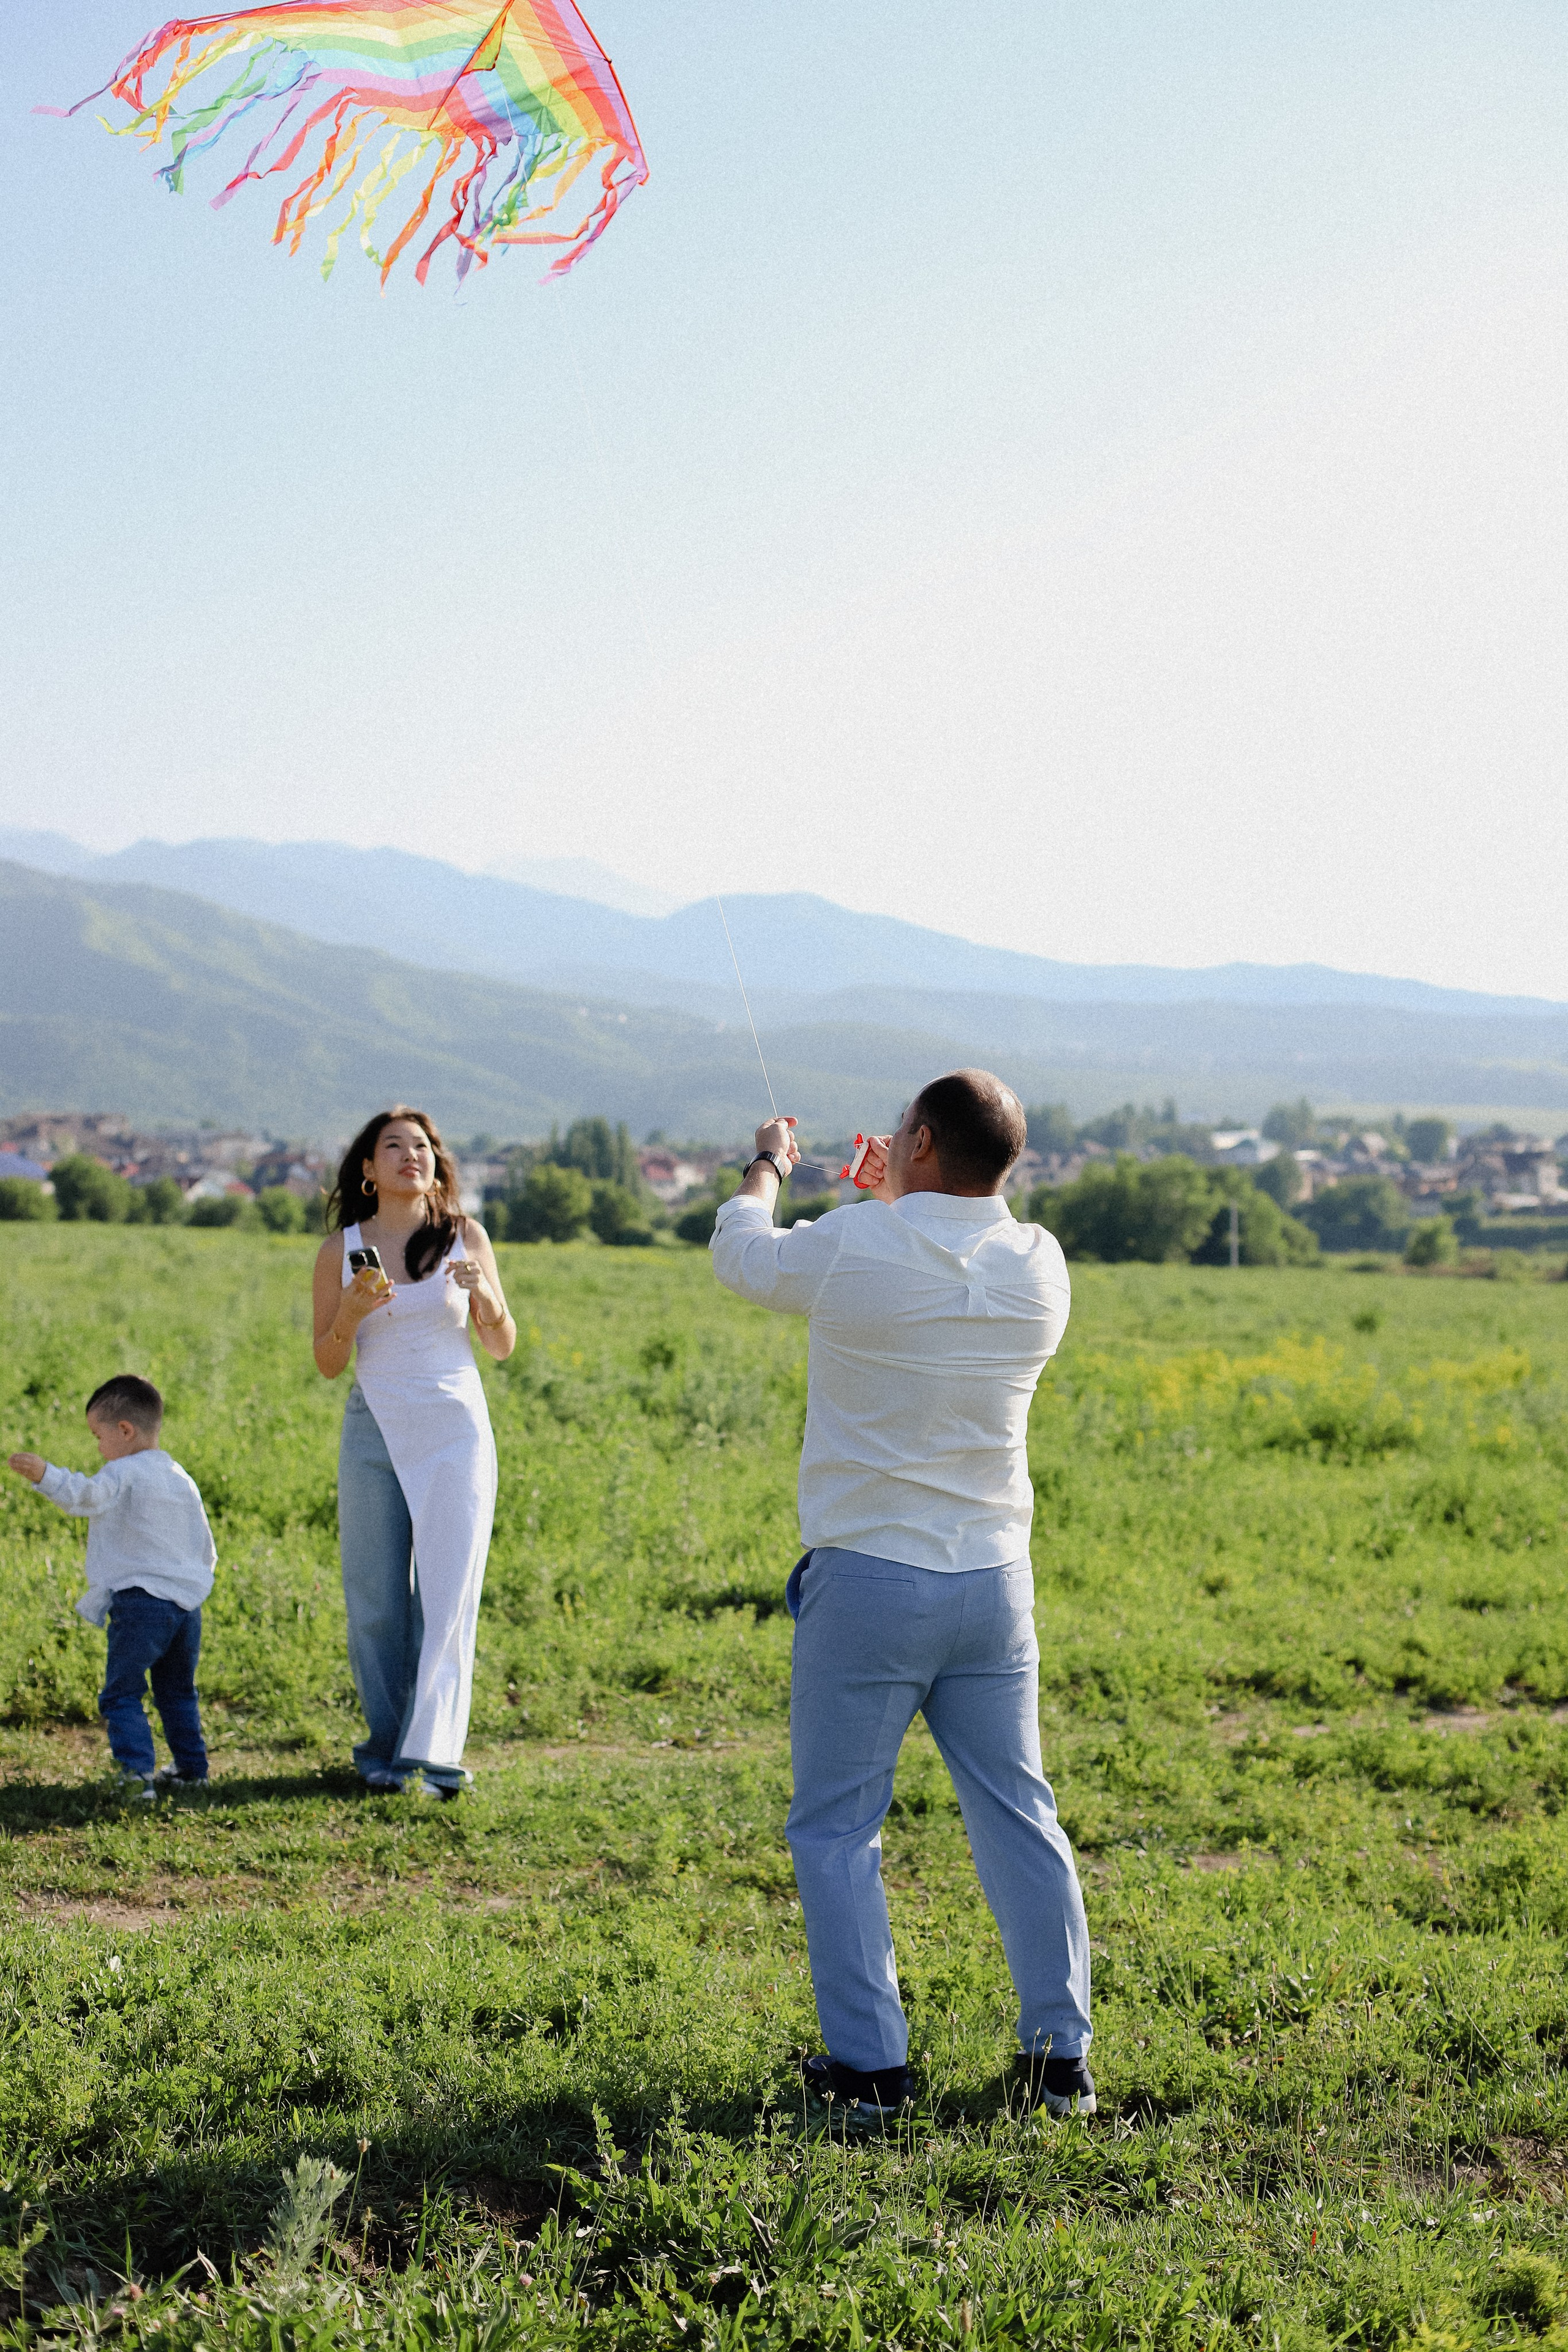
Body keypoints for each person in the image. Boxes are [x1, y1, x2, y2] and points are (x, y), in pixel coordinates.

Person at [710, 1070, 1093, 2124]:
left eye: (898, 1131)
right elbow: (933, 1268)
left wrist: (767, 1167)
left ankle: (871, 2075)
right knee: (1021, 1814)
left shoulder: (855, 1245)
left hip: (871, 1582)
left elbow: (742, 1256)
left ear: (921, 1140)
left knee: (836, 1829)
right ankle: (1061, 2065)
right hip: (992, 1584)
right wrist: (896, 1201)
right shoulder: (1040, 1264)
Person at [312, 1106, 515, 1799]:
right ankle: (384, 1748)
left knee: (448, 1593)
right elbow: (327, 1361)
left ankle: (433, 1756)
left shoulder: (465, 1236)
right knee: (374, 1599)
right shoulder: (340, 1248)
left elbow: (501, 1344)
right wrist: (348, 1315)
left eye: (422, 1145)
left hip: (457, 1428)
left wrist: (485, 1295)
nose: (411, 1155)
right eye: (393, 1146)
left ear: (437, 1161)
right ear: (368, 1169)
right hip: (374, 1425)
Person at [7, 1374, 215, 1802]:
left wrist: (46, 1475)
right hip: (186, 1607)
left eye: (98, 1436)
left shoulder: (124, 1472)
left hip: (141, 1604)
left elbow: (85, 1497)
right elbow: (206, 1548)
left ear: (125, 1430)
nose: (97, 1448)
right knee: (177, 1691)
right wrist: (192, 1588)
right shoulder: (181, 1477)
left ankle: (137, 1776)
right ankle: (193, 1771)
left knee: (122, 1692)